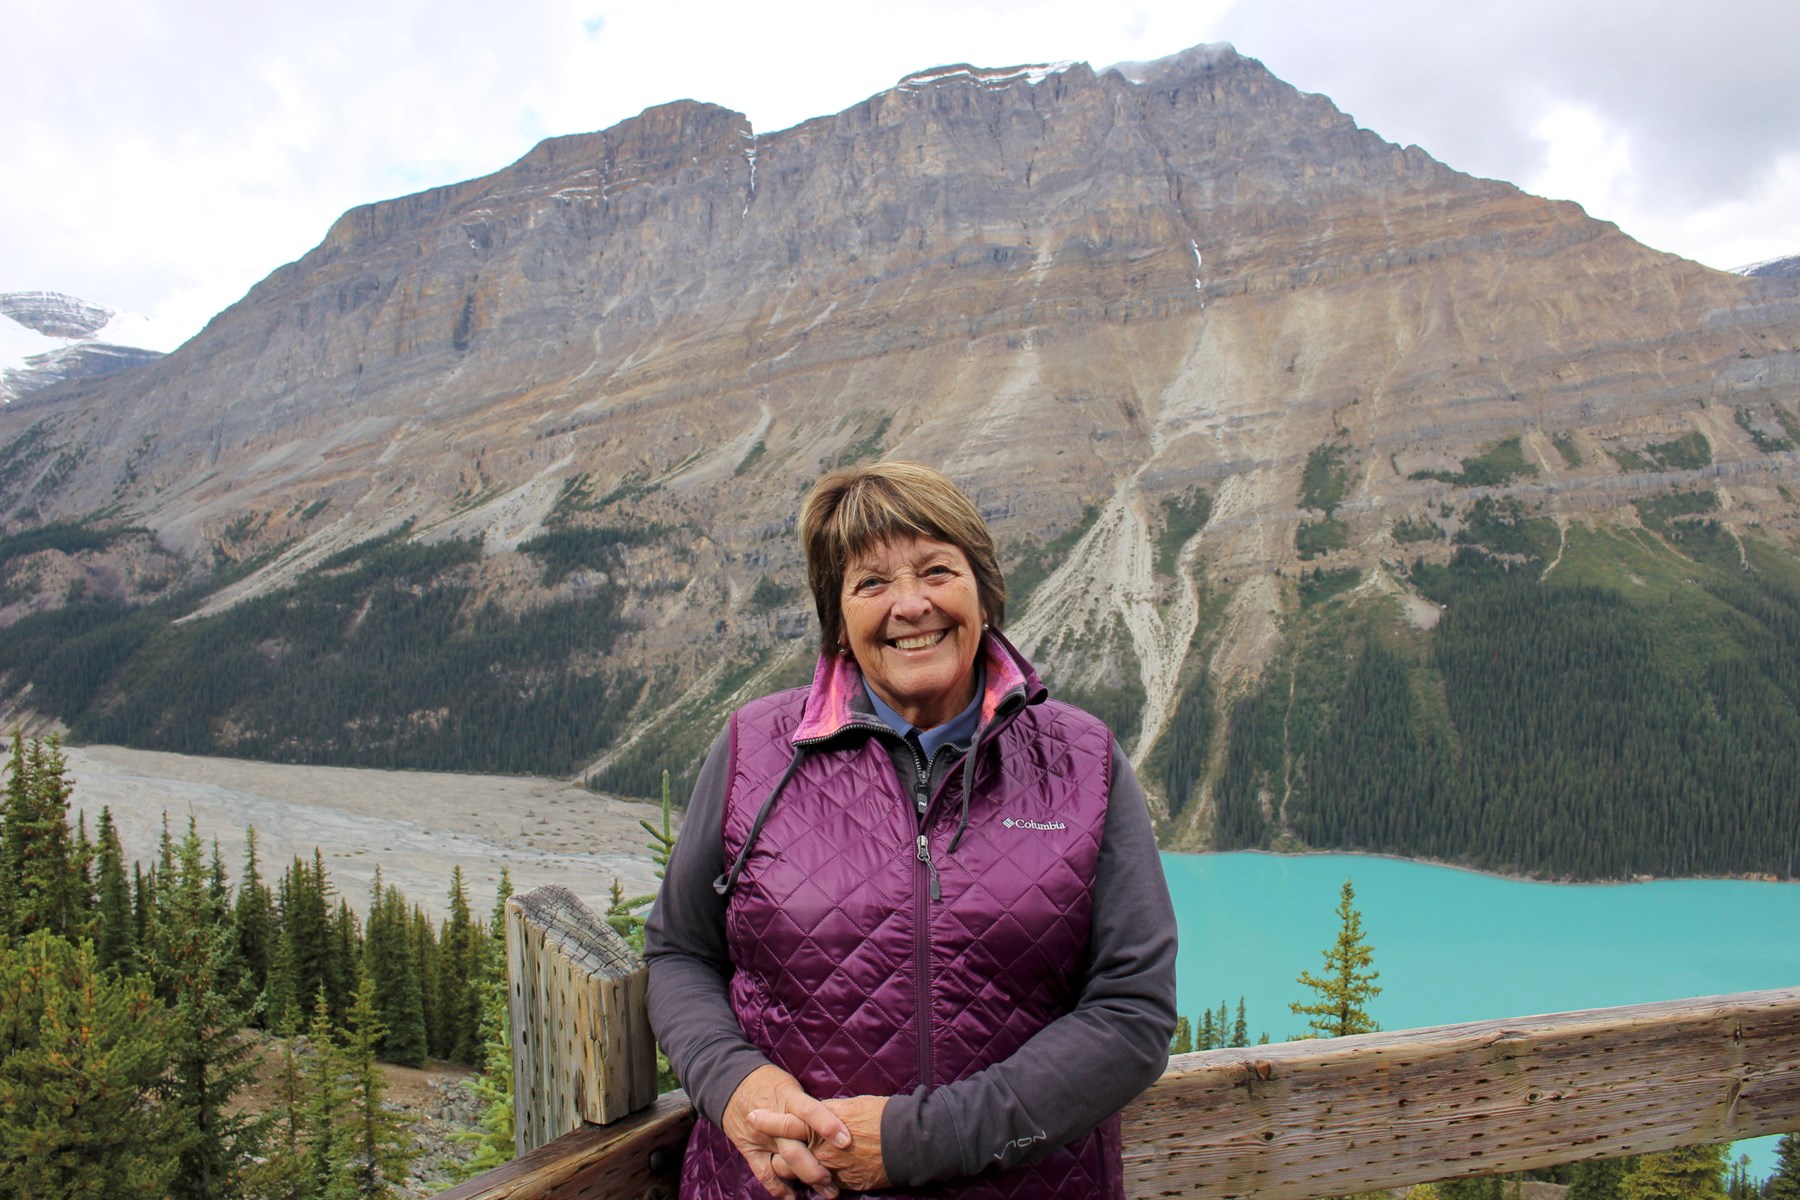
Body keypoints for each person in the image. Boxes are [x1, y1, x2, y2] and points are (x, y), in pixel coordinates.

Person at [645, 461, 1177, 1199]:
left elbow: (1132, 1010)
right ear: (838, 619)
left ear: (983, 593)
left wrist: (917, 1140)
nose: (910, 604)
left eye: (936, 571)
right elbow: (679, 953)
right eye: (871, 583)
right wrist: (734, 1084)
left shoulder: (1082, 759)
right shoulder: (755, 749)